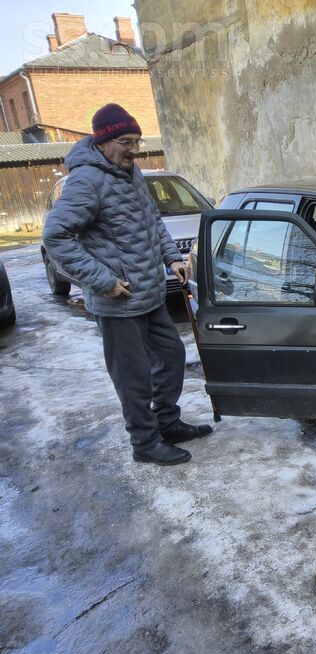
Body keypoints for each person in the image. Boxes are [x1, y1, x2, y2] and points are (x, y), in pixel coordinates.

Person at [43, 103, 212, 465]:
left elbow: (152, 221)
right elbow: (56, 237)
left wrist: (173, 258)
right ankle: (145, 443)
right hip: (118, 302)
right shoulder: (87, 180)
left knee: (171, 356)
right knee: (133, 378)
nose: (134, 149)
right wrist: (102, 280)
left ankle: (166, 422)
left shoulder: (131, 173)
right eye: (126, 141)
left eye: (137, 141)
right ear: (103, 142)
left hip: (149, 294)